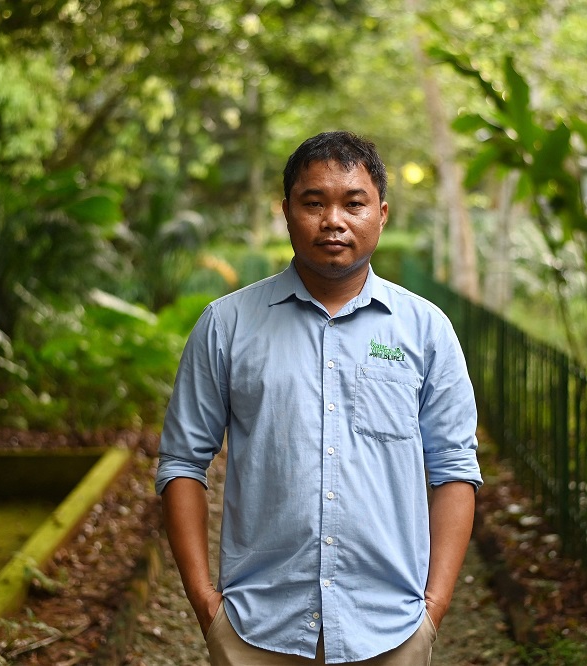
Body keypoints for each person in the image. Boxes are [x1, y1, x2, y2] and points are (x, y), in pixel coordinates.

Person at [156, 130, 482, 665]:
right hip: (256, 630)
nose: (333, 220)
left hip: (391, 630)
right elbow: (181, 464)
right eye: (314, 203)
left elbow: (454, 468)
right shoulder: (227, 325)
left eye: (353, 203)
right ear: (286, 211)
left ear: (382, 213)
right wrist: (205, 605)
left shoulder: (426, 331)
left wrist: (434, 609)